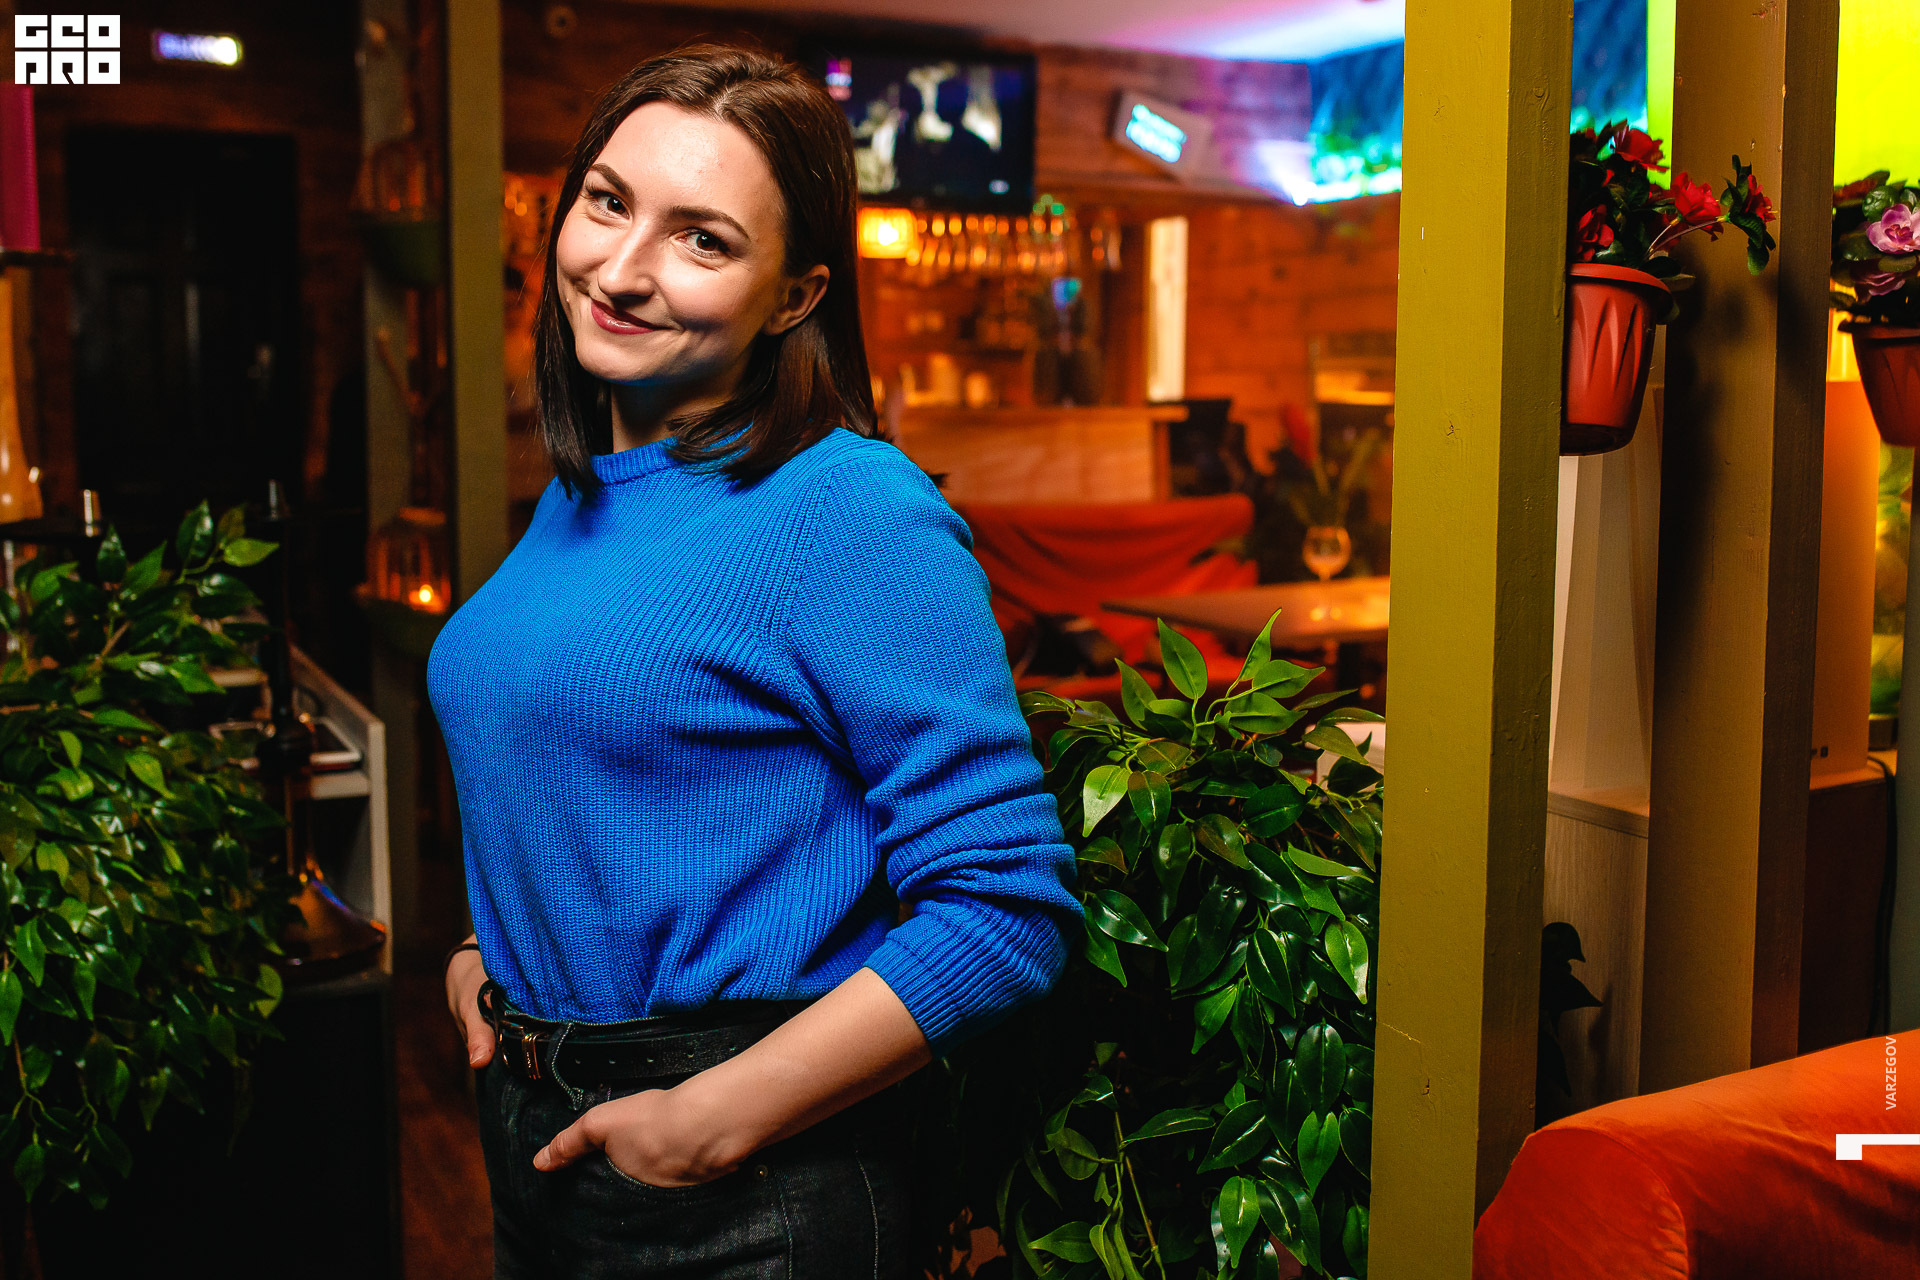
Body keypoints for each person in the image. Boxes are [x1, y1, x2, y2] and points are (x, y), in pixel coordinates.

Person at [428, 44, 1079, 1279]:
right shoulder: (587, 491)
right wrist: (489, 949)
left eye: (703, 239)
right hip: (537, 1125)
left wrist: (708, 1121)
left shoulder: (844, 505)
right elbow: (602, 771)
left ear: (794, 295)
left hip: (744, 1182)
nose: (622, 268)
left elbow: (1006, 907)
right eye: (608, 201)